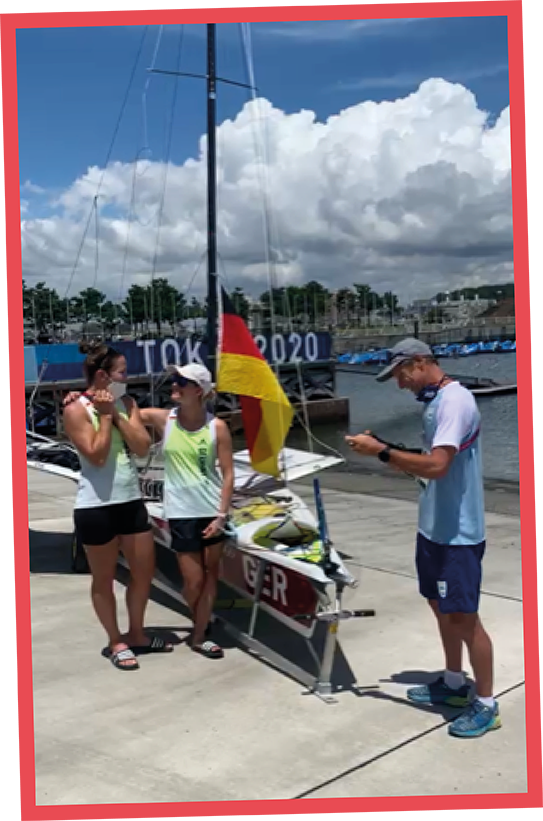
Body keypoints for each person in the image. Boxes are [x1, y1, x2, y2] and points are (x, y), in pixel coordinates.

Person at [345, 338, 501, 739]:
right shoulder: (435, 404)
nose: (401, 384)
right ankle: (452, 683)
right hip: (433, 527)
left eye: (401, 375)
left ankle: (486, 703)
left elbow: (437, 465)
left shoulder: (455, 402)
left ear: (418, 362)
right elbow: (429, 466)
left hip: (458, 534)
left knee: (466, 619)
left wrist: (382, 451)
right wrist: (391, 452)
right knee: (439, 607)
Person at [63, 343, 173, 671]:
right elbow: (96, 455)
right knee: (104, 578)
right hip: (95, 506)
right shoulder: (75, 409)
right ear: (102, 375)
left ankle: (137, 633)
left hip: (130, 501)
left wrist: (118, 414)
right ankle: (115, 640)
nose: (128, 376)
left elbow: (141, 447)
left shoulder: (127, 402)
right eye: (122, 371)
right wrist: (106, 417)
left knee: (143, 572)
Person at [140, 363, 235, 660]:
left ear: (199, 390)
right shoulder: (163, 419)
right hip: (181, 513)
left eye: (182, 381)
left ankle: (198, 635)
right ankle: (202, 618)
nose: (174, 384)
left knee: (210, 576)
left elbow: (229, 474)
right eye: (174, 379)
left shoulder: (216, 426)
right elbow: (124, 410)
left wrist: (221, 515)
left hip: (211, 511)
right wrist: (82, 398)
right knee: (193, 581)